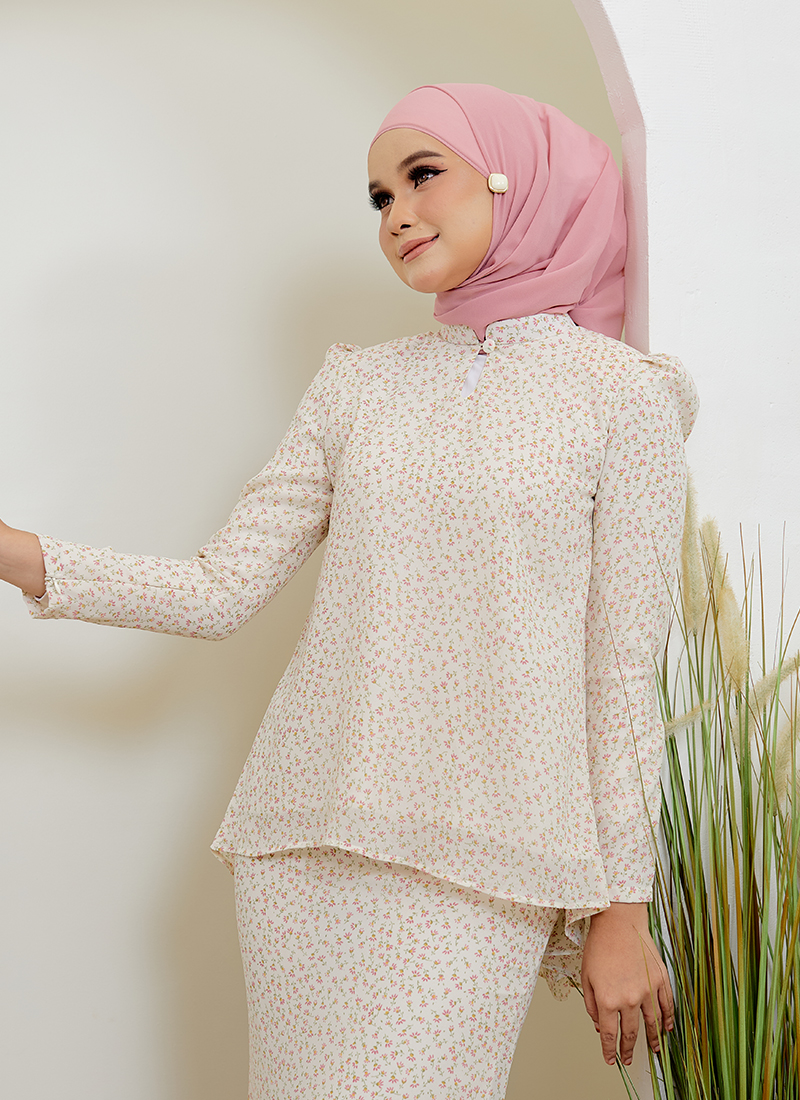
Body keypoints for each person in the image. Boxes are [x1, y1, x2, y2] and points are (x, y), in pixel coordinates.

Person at [0, 83, 697, 1099]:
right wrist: (15, 552)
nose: (397, 214)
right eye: (378, 197)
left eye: (423, 176)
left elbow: (621, 670)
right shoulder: (357, 384)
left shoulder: (623, 396)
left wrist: (621, 906)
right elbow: (219, 588)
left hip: (488, 854)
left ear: (515, 177)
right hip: (307, 833)